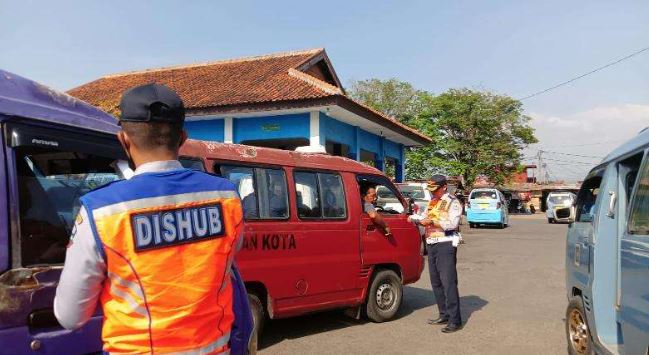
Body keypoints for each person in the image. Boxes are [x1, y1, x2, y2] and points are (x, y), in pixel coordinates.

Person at [54, 83, 249, 354]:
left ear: (123, 140)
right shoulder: (227, 196)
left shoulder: (101, 209)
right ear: (182, 138)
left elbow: (70, 316)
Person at [408, 174, 463, 333]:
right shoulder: (432, 202)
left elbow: (452, 223)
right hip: (431, 244)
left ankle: (455, 320)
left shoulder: (453, 202)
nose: (433, 193)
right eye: (431, 190)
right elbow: (425, 217)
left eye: (435, 189)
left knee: (448, 282)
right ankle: (444, 314)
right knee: (436, 282)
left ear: (444, 187)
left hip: (446, 244)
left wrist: (432, 222)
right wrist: (414, 218)